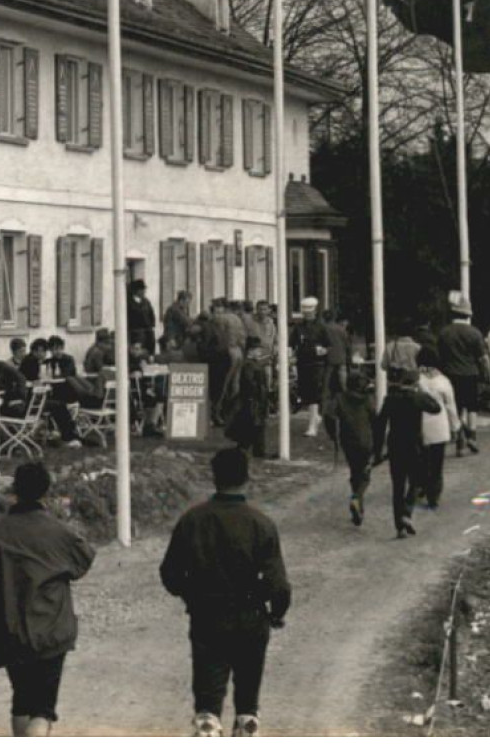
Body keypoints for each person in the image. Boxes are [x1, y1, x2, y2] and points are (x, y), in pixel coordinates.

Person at [159, 447, 291, 738]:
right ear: (248, 477)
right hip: (252, 617)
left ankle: (208, 730)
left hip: (207, 617)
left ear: (213, 477)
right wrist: (276, 613)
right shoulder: (261, 524)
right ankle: (245, 730)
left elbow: (169, 573)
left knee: (207, 698)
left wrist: (191, 595)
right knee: (247, 699)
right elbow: (278, 584)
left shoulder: (192, 521)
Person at [0, 461, 96, 736]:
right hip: (51, 631)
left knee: (21, 701)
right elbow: (84, 560)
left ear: (14, 491)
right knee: (42, 709)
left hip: (10, 632)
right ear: (46, 491)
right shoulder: (59, 532)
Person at [370, 360, 442, 538]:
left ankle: (399, 525)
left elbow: (380, 425)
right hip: (415, 445)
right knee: (417, 481)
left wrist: (378, 451)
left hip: (395, 445)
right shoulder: (417, 398)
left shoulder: (391, 399)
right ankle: (407, 512)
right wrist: (423, 392)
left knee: (398, 485)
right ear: (415, 383)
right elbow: (436, 408)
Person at [438, 291, 490, 455]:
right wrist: (487, 375)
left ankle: (460, 439)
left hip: (450, 375)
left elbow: (440, 356)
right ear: (468, 315)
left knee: (456, 408)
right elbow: (483, 359)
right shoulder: (475, 333)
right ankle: (472, 435)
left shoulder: (444, 333)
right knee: (472, 407)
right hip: (471, 374)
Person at [327, 360, 376, 527]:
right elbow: (375, 419)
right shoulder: (368, 399)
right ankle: (357, 497)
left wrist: (333, 434)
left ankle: (358, 505)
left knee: (355, 471)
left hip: (348, 441)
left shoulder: (340, 398)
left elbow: (329, 415)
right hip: (366, 440)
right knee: (365, 474)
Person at [416, 340, 460, 511]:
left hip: (419, 425)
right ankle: (434, 495)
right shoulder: (443, 381)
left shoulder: (416, 380)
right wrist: (455, 426)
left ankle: (421, 486)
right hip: (439, 425)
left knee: (421, 459)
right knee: (436, 463)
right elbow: (451, 406)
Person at [291, 297, 334, 438]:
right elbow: (291, 344)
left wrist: (322, 350)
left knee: (313, 394)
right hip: (302, 363)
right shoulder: (298, 327)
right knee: (306, 393)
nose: (307, 314)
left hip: (317, 364)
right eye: (305, 312)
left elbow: (329, 345)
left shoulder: (322, 327)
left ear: (315, 311)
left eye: (310, 312)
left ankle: (312, 425)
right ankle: (314, 418)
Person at [226, 336, 273, 458]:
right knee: (254, 426)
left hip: (254, 400)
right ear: (251, 351)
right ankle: (254, 449)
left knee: (253, 426)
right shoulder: (249, 365)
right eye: (257, 349)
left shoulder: (252, 364)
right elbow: (250, 383)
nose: (259, 352)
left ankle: (250, 448)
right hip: (252, 400)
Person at [127, 278, 158, 357]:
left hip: (148, 332)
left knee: (149, 353)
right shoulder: (129, 303)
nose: (144, 291)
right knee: (138, 354)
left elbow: (151, 314)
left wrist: (152, 325)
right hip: (136, 333)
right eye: (142, 290)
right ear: (137, 291)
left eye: (144, 289)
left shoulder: (146, 302)